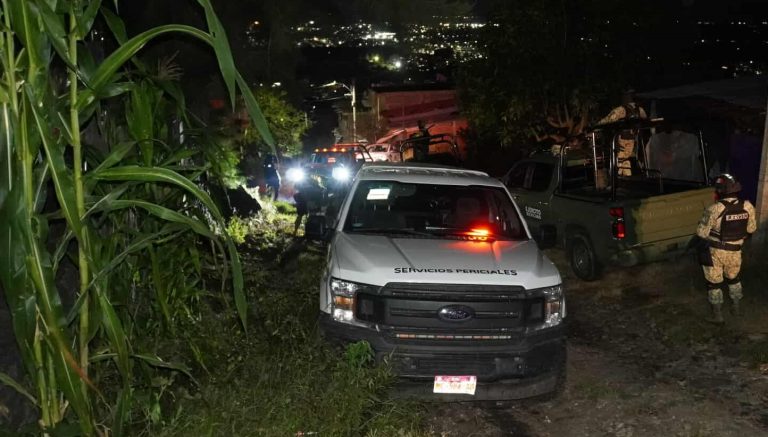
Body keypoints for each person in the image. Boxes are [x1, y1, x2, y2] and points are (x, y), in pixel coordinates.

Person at [695, 174, 757, 323]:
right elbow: (751, 229)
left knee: (714, 283)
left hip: (715, 252)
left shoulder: (714, 209)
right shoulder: (747, 206)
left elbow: (701, 233)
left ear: (720, 191)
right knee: (734, 279)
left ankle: (717, 315)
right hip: (735, 251)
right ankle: (736, 308)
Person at [598, 89, 647, 176]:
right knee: (625, 159)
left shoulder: (621, 110)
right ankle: (627, 177)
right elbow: (646, 121)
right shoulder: (640, 110)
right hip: (633, 139)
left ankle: (619, 179)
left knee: (620, 160)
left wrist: (595, 126)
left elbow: (607, 120)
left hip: (621, 139)